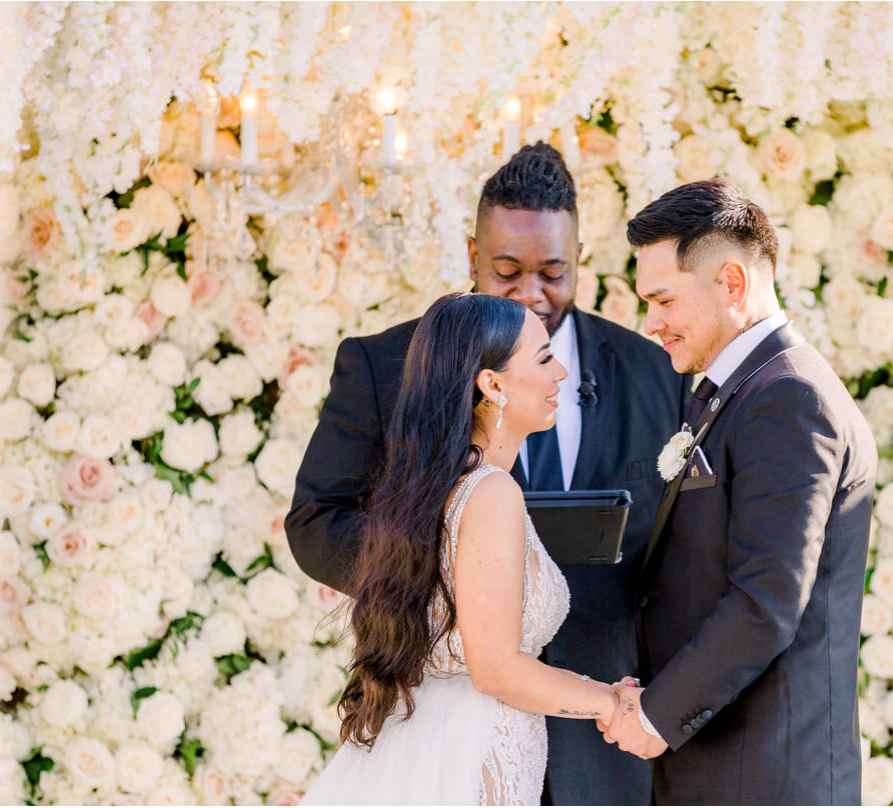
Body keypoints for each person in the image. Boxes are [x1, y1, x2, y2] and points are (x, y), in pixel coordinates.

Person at [286, 143, 685, 805]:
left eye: (553, 272)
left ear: (580, 259)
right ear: (472, 255)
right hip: (449, 728)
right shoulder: (384, 365)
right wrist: (445, 576)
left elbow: (682, 542)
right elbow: (316, 522)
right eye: (507, 270)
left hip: (602, 749)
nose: (532, 294)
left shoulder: (653, 370)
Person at [601, 180, 878, 805]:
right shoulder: (741, 391)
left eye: (664, 300)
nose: (652, 323)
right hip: (725, 765)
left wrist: (655, 715)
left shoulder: (788, 399)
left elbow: (766, 599)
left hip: (765, 775)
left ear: (731, 281)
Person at [302, 292, 619, 805]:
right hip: (469, 756)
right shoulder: (490, 492)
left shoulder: (440, 485)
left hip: (436, 739)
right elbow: (496, 668)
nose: (561, 371)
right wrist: (611, 703)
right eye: (542, 358)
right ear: (491, 384)